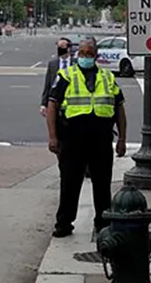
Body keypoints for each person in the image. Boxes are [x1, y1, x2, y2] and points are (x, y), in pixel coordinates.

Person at [45, 37, 127, 238]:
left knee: (102, 184)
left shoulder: (107, 77)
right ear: (77, 54)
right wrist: (53, 137)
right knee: (69, 183)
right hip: (72, 138)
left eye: (89, 54)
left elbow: (119, 108)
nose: (85, 57)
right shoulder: (66, 76)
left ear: (96, 56)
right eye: (82, 53)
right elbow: (52, 105)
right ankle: (63, 223)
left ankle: (103, 222)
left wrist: (122, 139)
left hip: (101, 139)